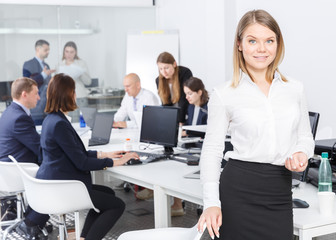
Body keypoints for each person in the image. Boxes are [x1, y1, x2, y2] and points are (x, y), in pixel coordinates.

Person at [197, 9, 314, 240]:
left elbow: (305, 137)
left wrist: (301, 154)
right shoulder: (224, 93)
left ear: (277, 44)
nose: (262, 49)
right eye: (253, 41)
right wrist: (211, 203)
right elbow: (211, 150)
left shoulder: (295, 89)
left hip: (279, 189)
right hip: (238, 189)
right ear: (240, 44)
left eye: (269, 40)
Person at [16, 73, 139, 240]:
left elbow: (75, 153)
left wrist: (106, 154)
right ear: (67, 95)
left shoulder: (51, 119)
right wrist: (116, 162)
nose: (75, 95)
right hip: (63, 188)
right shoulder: (59, 124)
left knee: (108, 193)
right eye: (73, 91)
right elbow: (81, 162)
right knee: (117, 205)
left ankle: (82, 238)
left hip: (57, 182)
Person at [0, 77, 41, 164]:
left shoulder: (8, 112)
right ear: (24, 95)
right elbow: (39, 147)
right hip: (21, 170)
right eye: (36, 93)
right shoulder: (19, 118)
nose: (38, 98)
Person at [23, 39, 55, 125]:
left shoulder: (46, 65)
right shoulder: (28, 64)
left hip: (47, 108)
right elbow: (27, 84)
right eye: (46, 50)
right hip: (36, 109)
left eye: (48, 50)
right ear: (38, 49)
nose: (48, 52)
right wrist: (43, 75)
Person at [156, 52, 193, 124]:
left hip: (186, 114)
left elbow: (184, 99)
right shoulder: (158, 80)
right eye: (160, 69)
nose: (164, 72)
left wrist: (181, 121)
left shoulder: (185, 73)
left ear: (174, 64)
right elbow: (165, 104)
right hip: (172, 117)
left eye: (166, 68)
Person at [56, 41, 91, 108]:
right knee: (67, 118)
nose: (69, 54)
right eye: (67, 51)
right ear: (64, 52)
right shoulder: (59, 65)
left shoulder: (81, 63)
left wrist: (80, 73)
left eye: (72, 52)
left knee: (81, 118)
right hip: (65, 98)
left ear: (75, 52)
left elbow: (88, 82)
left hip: (80, 97)